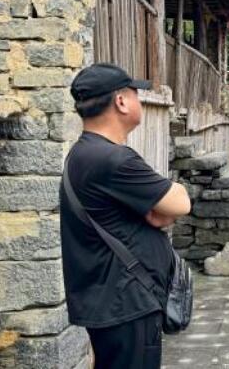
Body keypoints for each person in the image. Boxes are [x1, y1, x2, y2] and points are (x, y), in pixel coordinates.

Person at [61, 63, 191, 369]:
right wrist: (163, 207)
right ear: (120, 101)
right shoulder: (113, 159)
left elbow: (160, 210)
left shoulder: (84, 153)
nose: (138, 100)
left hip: (111, 300)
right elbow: (180, 202)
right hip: (126, 303)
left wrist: (160, 210)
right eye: (135, 94)